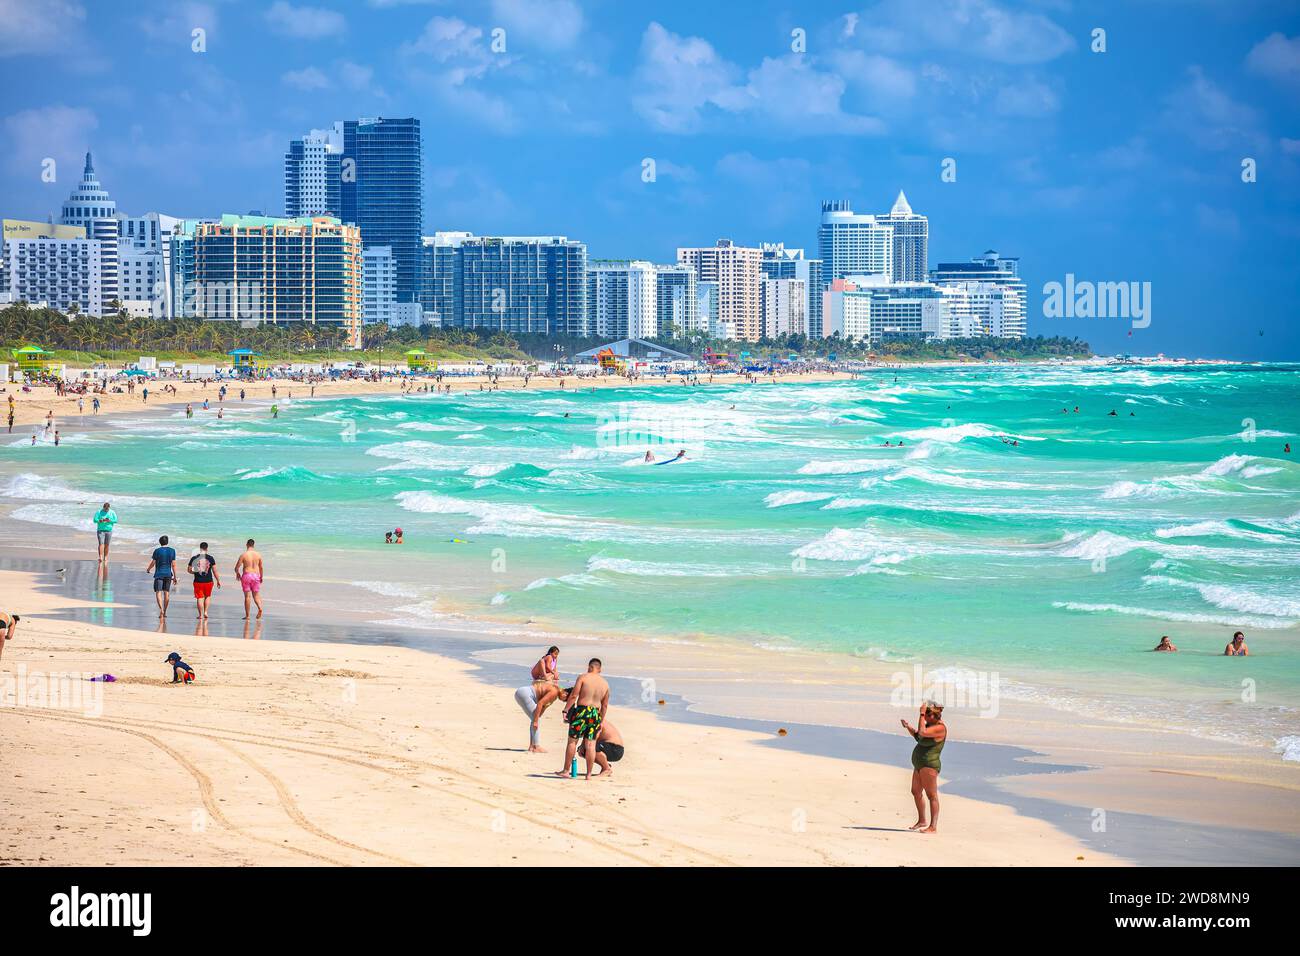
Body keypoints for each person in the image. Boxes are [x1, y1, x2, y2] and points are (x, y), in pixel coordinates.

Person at [555, 658, 610, 780]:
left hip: (581, 711)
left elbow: (574, 695)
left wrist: (566, 710)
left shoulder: (583, 677)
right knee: (590, 744)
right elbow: (605, 705)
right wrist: (600, 720)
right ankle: (589, 774)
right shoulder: (605, 684)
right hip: (595, 713)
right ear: (599, 669)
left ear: (589, 667)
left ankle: (566, 771)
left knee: (572, 741)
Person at [900, 701, 946, 834]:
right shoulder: (929, 725)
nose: (924, 718)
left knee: (932, 795)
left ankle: (933, 827)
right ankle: (922, 820)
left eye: (926, 715)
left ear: (933, 715)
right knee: (916, 792)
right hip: (919, 765)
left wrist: (921, 713)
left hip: (929, 765)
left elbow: (922, 732)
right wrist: (908, 727)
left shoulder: (940, 728)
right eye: (924, 716)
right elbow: (918, 736)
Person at [514, 681, 569, 753]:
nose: (564, 701)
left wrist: (537, 718)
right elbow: (540, 703)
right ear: (565, 693)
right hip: (525, 694)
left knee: (535, 718)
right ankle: (536, 746)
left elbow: (543, 707)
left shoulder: (555, 692)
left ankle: (532, 746)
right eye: (566, 699)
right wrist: (536, 720)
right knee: (535, 719)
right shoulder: (554, 692)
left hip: (523, 691)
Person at [188, 542, 221, 620]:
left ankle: (200, 615)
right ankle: (206, 612)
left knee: (199, 598)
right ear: (207, 549)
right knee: (207, 596)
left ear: (200, 548)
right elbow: (215, 571)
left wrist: (195, 571)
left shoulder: (194, 558)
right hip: (209, 581)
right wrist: (218, 580)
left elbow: (189, 570)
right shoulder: (210, 558)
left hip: (198, 581)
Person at [146, 535, 178, 618]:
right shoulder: (172, 551)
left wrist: (148, 569)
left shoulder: (157, 551)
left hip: (159, 574)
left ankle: (161, 610)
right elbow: (174, 565)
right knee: (166, 593)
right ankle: (165, 611)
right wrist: (175, 576)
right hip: (168, 574)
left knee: (158, 592)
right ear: (167, 542)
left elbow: (153, 562)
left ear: (160, 542)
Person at [235, 539, 264, 619]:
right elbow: (261, 567)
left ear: (246, 544)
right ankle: (260, 608)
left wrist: (237, 573)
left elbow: (237, 567)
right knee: (256, 595)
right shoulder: (258, 555)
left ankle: (247, 616)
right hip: (256, 576)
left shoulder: (243, 555)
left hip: (247, 576)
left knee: (247, 596)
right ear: (253, 545)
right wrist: (261, 576)